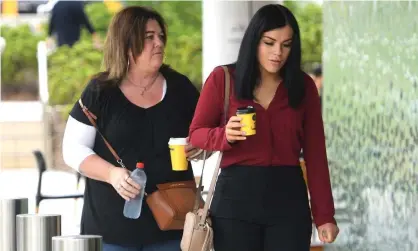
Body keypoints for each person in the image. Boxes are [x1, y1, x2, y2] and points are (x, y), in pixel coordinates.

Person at [189, 4, 339, 251]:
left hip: (289, 203)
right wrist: (224, 135)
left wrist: (324, 215)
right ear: (253, 41)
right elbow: (196, 134)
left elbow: (316, 154)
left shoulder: (303, 87)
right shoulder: (223, 79)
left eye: (286, 44)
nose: (278, 52)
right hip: (234, 203)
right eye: (269, 43)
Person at [62, 6, 201, 251]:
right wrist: (111, 174)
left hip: (173, 226)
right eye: (148, 37)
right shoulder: (101, 90)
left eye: (160, 36)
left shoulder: (181, 88)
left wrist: (199, 147)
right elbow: (72, 149)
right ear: (126, 43)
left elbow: (205, 136)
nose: (158, 43)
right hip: (111, 229)